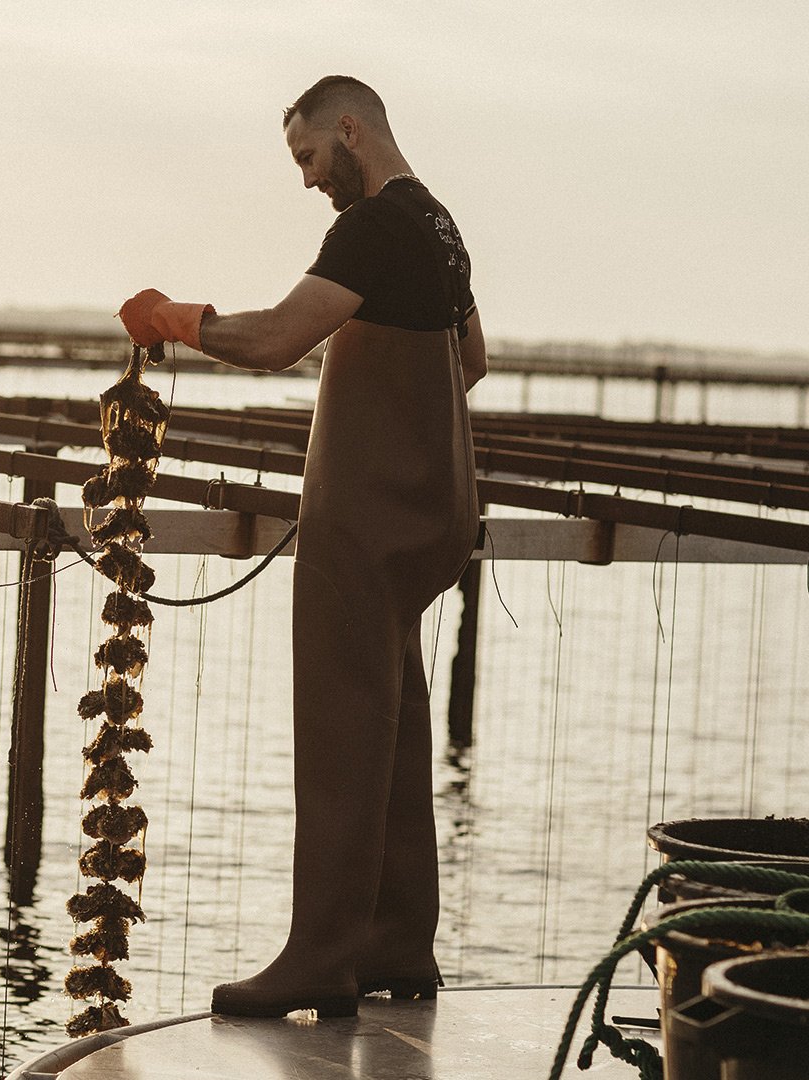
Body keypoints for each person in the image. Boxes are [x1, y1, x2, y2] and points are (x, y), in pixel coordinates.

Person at [120, 75, 486, 1018]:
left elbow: (279, 337)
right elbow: (471, 361)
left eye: (310, 158)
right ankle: (401, 945)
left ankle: (321, 957)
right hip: (433, 514)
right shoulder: (441, 227)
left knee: (339, 735)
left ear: (351, 132)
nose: (309, 180)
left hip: (364, 519)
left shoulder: (370, 229)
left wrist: (175, 320)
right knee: (395, 728)